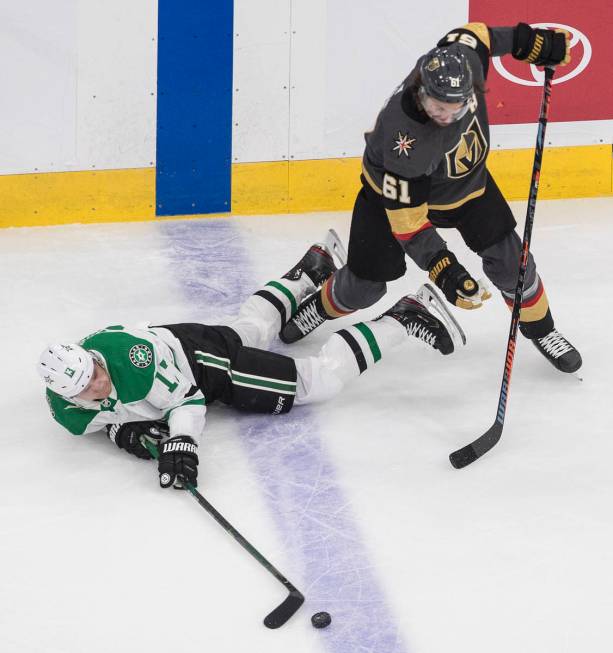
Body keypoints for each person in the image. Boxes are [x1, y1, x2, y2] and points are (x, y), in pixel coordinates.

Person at [38, 234, 464, 489]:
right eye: (86, 388)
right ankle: (312, 269)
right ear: (67, 396)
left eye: (94, 372)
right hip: (187, 340)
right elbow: (107, 419)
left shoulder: (131, 361)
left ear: (92, 357)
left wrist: (181, 441)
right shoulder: (69, 413)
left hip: (201, 367)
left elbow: (187, 401)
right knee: (249, 331)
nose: (97, 384)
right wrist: (129, 437)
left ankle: (405, 316)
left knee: (316, 383)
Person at [279, 22, 581, 374]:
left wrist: (529, 43)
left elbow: (479, 34)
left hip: (467, 188)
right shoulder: (404, 139)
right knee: (364, 289)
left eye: (454, 108)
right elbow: (409, 225)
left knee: (514, 264)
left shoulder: (462, 61)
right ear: (421, 90)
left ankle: (543, 330)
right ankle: (323, 303)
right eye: (437, 107)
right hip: (388, 200)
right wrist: (444, 268)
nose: (445, 116)